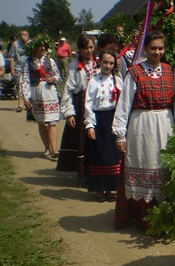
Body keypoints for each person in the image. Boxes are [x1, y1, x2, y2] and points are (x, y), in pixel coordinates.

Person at [112, 30, 175, 230]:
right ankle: (142, 217)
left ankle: (164, 218)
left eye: (161, 48)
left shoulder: (171, 71)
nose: (157, 52)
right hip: (141, 126)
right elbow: (124, 104)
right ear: (145, 49)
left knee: (163, 167)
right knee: (144, 162)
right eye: (153, 48)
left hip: (165, 124)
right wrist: (120, 133)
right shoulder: (134, 72)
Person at [84, 49, 123, 203]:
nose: (108, 66)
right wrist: (90, 125)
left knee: (113, 155)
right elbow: (88, 103)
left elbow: (123, 102)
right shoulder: (93, 81)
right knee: (99, 154)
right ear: (99, 62)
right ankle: (99, 189)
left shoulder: (118, 81)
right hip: (98, 119)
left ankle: (110, 189)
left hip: (113, 118)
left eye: (111, 63)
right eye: (105, 62)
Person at [57, 33, 97, 179]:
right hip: (81, 103)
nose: (89, 51)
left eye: (91, 47)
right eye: (85, 48)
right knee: (83, 138)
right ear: (80, 49)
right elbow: (68, 89)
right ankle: (84, 172)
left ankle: (96, 171)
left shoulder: (98, 62)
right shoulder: (75, 65)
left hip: (97, 103)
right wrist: (69, 112)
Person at [20, 35, 61, 158]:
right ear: (34, 49)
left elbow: (58, 76)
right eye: (39, 47)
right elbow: (25, 79)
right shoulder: (27, 62)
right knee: (42, 122)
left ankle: (54, 150)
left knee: (52, 121)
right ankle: (47, 148)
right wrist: (26, 96)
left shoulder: (50, 61)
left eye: (43, 46)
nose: (42, 49)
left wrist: (53, 78)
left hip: (49, 92)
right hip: (36, 92)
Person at [8, 30, 31, 112]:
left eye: (24, 35)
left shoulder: (31, 44)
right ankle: (20, 105)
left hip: (29, 67)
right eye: (21, 35)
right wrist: (12, 69)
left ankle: (28, 103)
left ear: (27, 36)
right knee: (19, 85)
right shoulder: (15, 44)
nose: (22, 36)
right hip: (18, 67)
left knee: (29, 85)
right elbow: (11, 57)